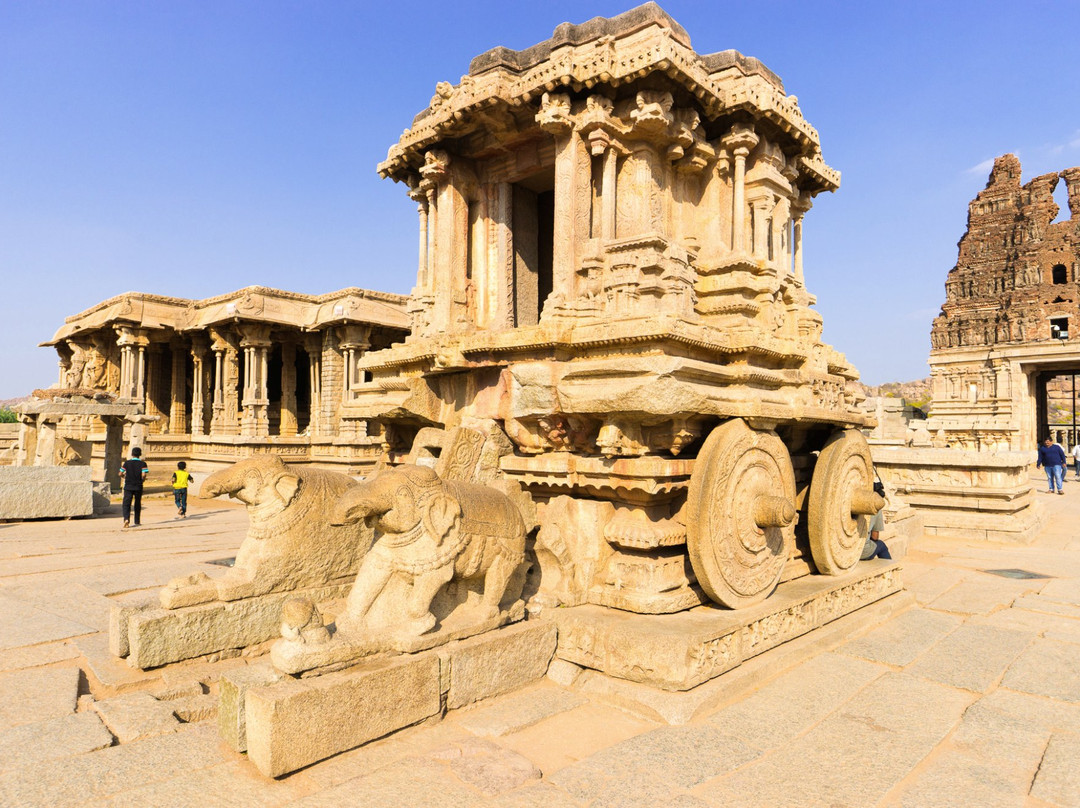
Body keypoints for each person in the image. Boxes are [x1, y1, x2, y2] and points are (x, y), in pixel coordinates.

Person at [860, 479, 892, 560]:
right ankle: (889, 569)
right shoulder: (876, 508)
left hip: (845, 550)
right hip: (862, 552)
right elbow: (875, 537)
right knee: (881, 545)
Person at [119, 446, 149, 528]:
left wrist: (124, 477)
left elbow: (120, 473)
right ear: (140, 454)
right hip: (138, 486)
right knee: (137, 503)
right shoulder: (143, 464)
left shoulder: (126, 463)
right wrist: (142, 480)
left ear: (132, 454)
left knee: (126, 504)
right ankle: (137, 520)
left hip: (128, 486)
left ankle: (126, 519)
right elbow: (143, 474)